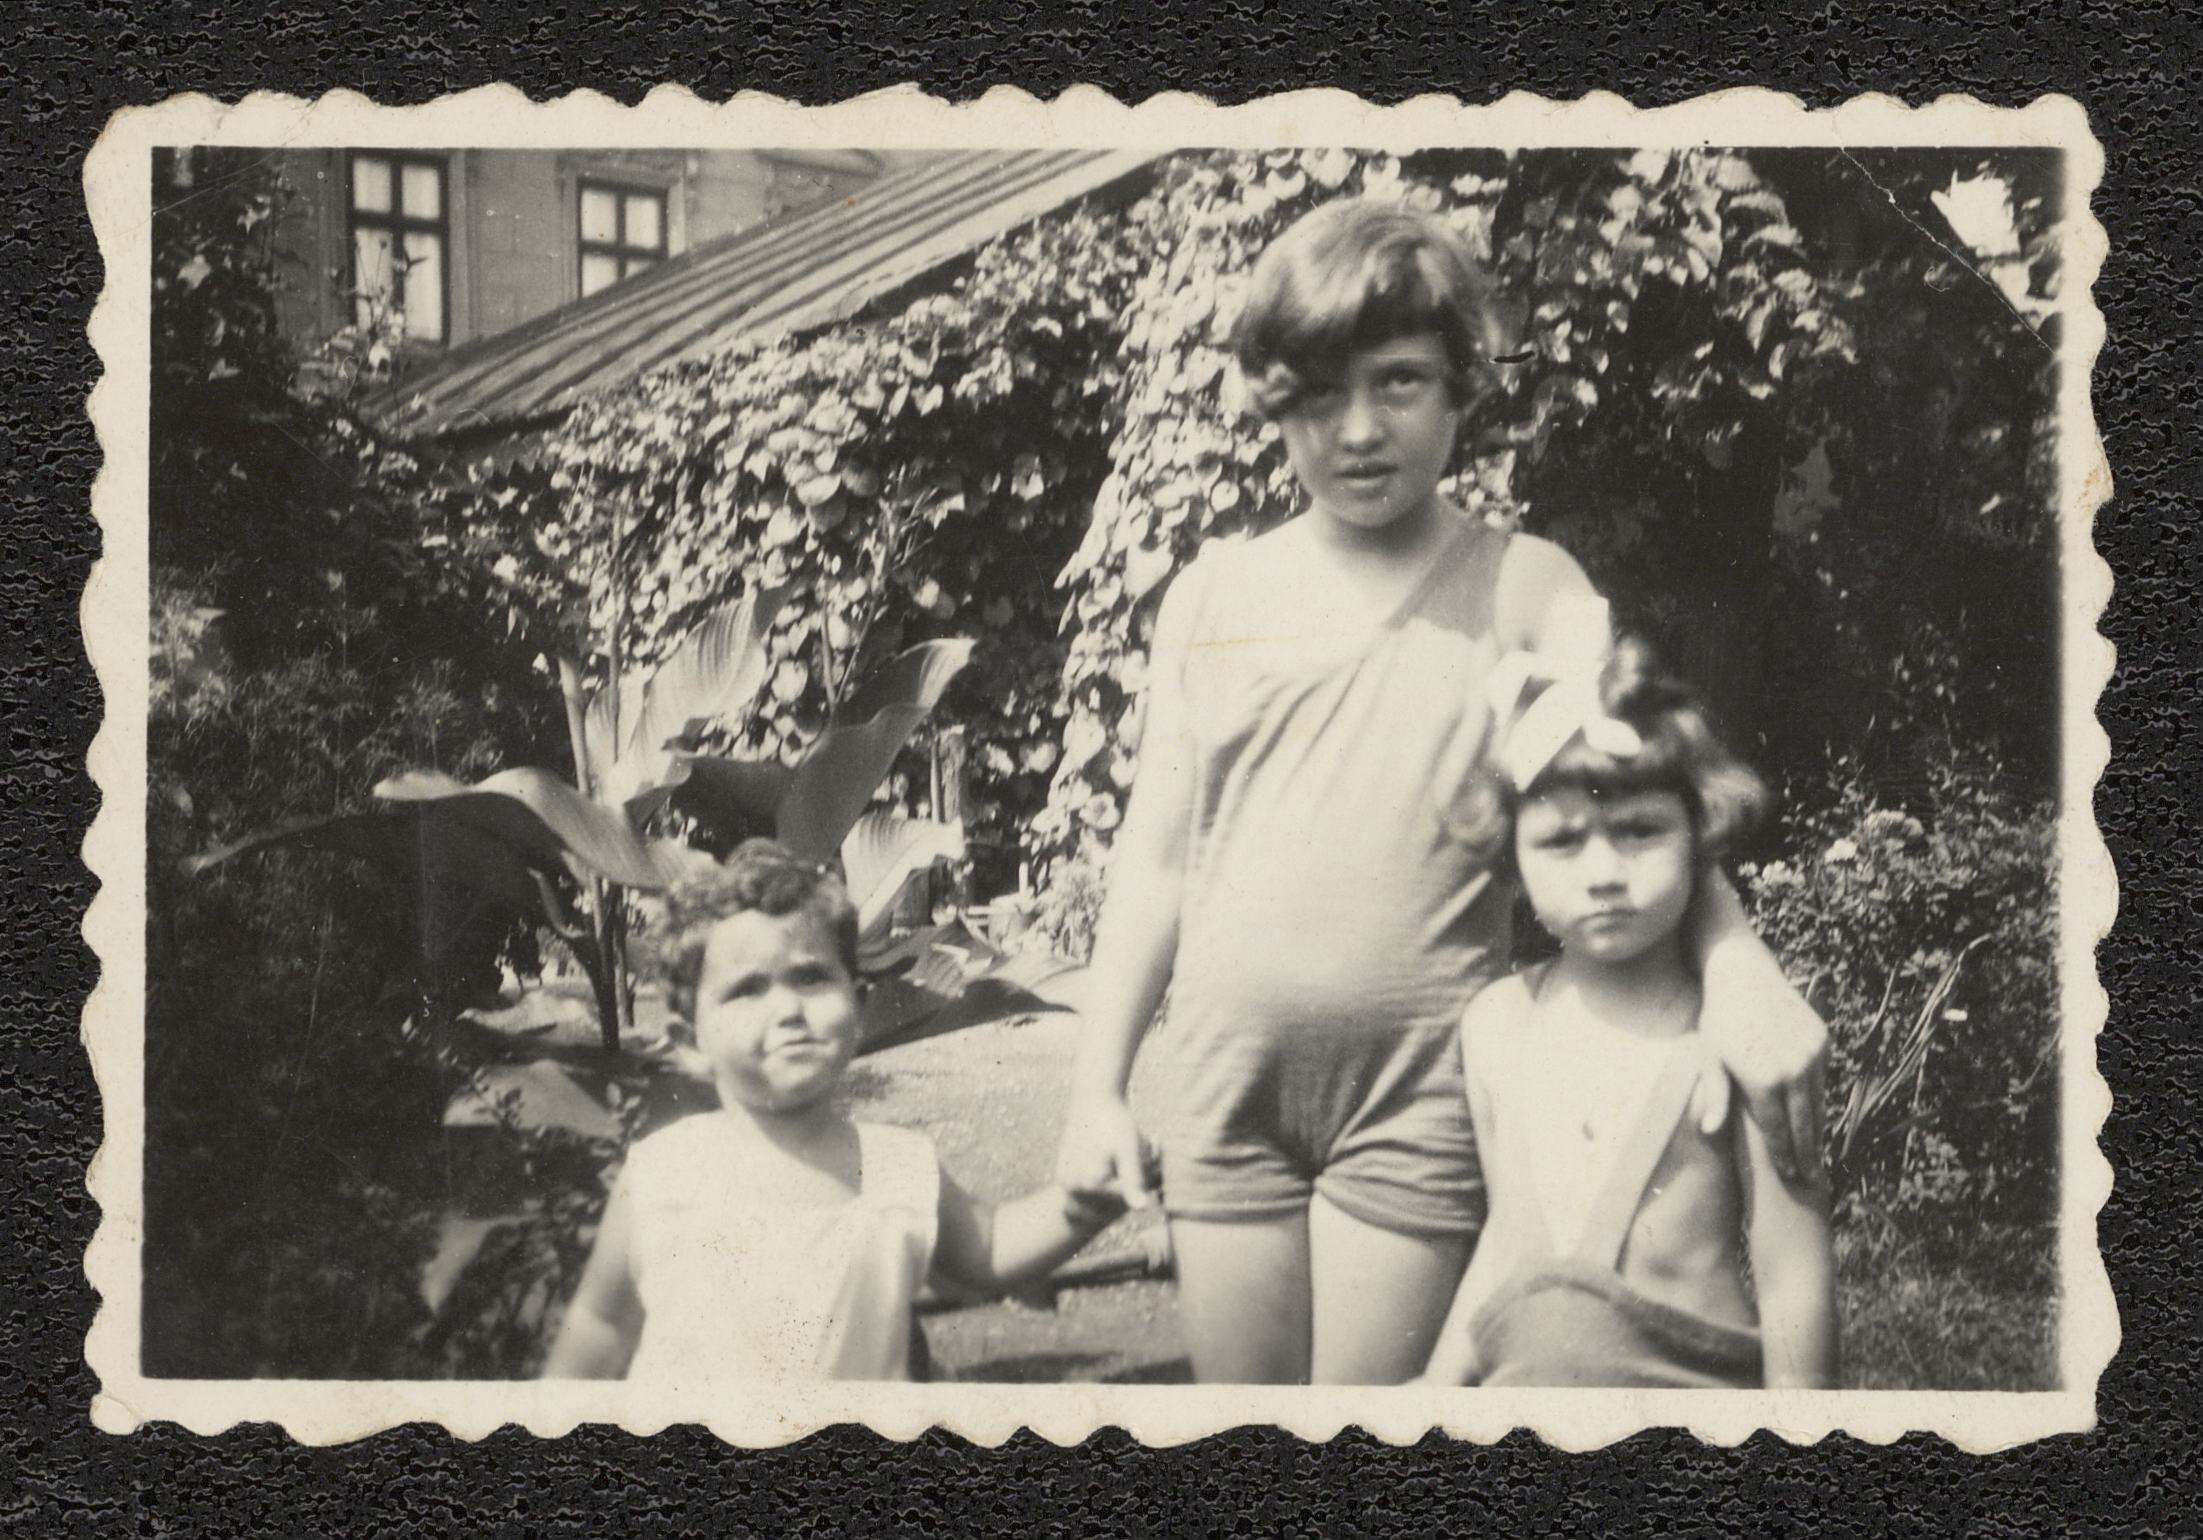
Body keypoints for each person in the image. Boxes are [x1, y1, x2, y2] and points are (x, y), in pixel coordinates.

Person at [1053, 196, 1830, 1385]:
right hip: (1225, 1082)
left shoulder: (1523, 584)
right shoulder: (1211, 597)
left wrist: (1740, 969)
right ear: (1272, 402)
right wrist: (1096, 1089)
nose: (1360, 429)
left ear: (1463, 384)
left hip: (1413, 1093)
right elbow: (1155, 860)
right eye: (1321, 394)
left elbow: (1639, 790)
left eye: (1400, 383)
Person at [543, 840, 1124, 1383]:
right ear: (691, 1041)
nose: (788, 1009)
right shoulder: (664, 1173)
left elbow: (987, 1251)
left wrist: (1085, 1203)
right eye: (747, 990)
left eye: (811, 978)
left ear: (860, 1007)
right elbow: (599, 1324)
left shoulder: (898, 1168)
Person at [1420, 639, 1836, 1387]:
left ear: (1697, 833)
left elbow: (1792, 1281)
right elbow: (1504, 1237)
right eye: (1561, 840)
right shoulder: (1497, 1025)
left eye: (1640, 830)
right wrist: (1435, 1387)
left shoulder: (1738, 1036)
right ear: (1513, 857)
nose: (1604, 873)